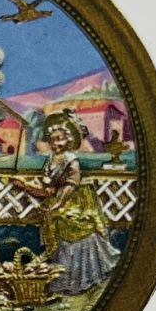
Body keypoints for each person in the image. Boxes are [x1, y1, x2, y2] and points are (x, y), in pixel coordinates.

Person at [13, 112, 119, 293]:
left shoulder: (71, 161)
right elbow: (49, 190)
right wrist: (25, 185)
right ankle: (62, 278)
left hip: (76, 203)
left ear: (68, 140)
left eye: (60, 139)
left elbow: (69, 186)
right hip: (58, 200)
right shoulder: (51, 160)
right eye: (52, 140)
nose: (55, 144)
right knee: (54, 220)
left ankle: (80, 278)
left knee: (64, 219)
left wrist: (57, 205)